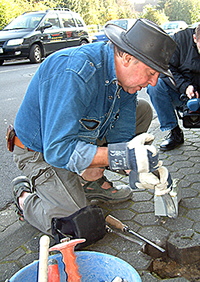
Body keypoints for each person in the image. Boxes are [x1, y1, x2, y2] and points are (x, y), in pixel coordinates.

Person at [8, 19, 176, 246]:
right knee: (81, 228)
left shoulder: (124, 83)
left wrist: (142, 170)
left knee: (143, 111)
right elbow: (57, 150)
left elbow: (123, 141)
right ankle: (24, 197)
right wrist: (122, 156)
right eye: (151, 72)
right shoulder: (76, 72)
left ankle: (89, 182)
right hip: (40, 152)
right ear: (127, 57)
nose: (154, 83)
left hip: (75, 141)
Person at [147, 24, 200, 151]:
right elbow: (166, 68)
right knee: (155, 86)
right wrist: (185, 86)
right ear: (194, 38)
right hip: (182, 92)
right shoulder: (179, 40)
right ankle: (174, 132)